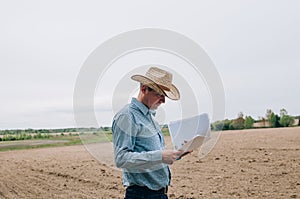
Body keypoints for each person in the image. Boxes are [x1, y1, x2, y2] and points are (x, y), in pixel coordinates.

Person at [112, 67, 187, 199]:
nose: (163, 101)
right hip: (141, 195)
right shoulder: (127, 116)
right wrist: (160, 156)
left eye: (165, 96)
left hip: (159, 194)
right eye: (160, 94)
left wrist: (179, 153)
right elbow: (121, 159)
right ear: (144, 89)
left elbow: (153, 153)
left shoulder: (150, 118)